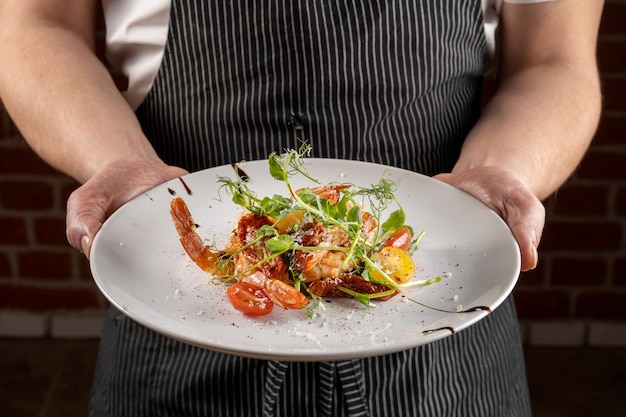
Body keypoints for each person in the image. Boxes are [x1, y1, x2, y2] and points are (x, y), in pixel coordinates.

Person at [0, 0, 603, 416]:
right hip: (170, 328)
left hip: (450, 335)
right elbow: (37, 23)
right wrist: (116, 159)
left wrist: (502, 171)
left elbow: (553, 59)